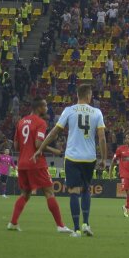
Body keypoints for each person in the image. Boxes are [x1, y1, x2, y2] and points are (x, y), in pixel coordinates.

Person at [33, 83, 107, 237]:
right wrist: (104, 158)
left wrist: (41, 148)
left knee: (74, 191)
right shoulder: (97, 112)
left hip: (73, 156)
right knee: (86, 189)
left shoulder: (69, 110)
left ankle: (76, 229)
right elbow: (102, 137)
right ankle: (86, 224)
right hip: (89, 157)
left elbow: (54, 132)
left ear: (78, 96)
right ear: (87, 96)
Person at [8, 98, 72, 233]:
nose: (47, 108)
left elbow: (16, 146)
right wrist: (54, 150)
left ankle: (13, 223)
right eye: (46, 105)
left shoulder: (21, 122)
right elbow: (38, 144)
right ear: (39, 108)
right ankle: (60, 226)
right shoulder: (40, 122)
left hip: (22, 163)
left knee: (25, 194)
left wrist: (26, 149)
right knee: (49, 192)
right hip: (36, 163)